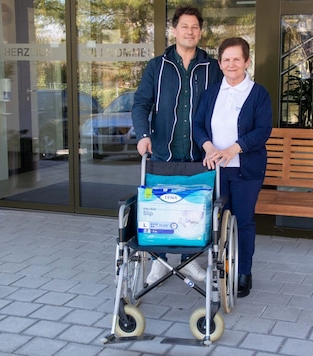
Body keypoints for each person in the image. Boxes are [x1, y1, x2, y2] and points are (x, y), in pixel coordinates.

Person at [132, 5, 223, 285]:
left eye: (195, 27)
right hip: (163, 152)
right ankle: (158, 263)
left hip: (199, 155)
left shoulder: (211, 67)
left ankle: (190, 263)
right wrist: (142, 134)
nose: (190, 31)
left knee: (196, 210)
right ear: (175, 30)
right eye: (185, 26)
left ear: (200, 31)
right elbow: (141, 104)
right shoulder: (156, 66)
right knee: (160, 208)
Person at [192, 37, 272, 298]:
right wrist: (208, 148)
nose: (232, 64)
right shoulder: (212, 93)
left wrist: (233, 148)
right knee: (218, 222)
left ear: (247, 61)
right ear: (220, 63)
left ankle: (244, 273)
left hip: (246, 171)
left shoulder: (258, 94)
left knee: (244, 221)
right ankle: (222, 268)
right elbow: (198, 125)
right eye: (226, 59)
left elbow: (262, 131)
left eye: (237, 58)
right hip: (217, 171)